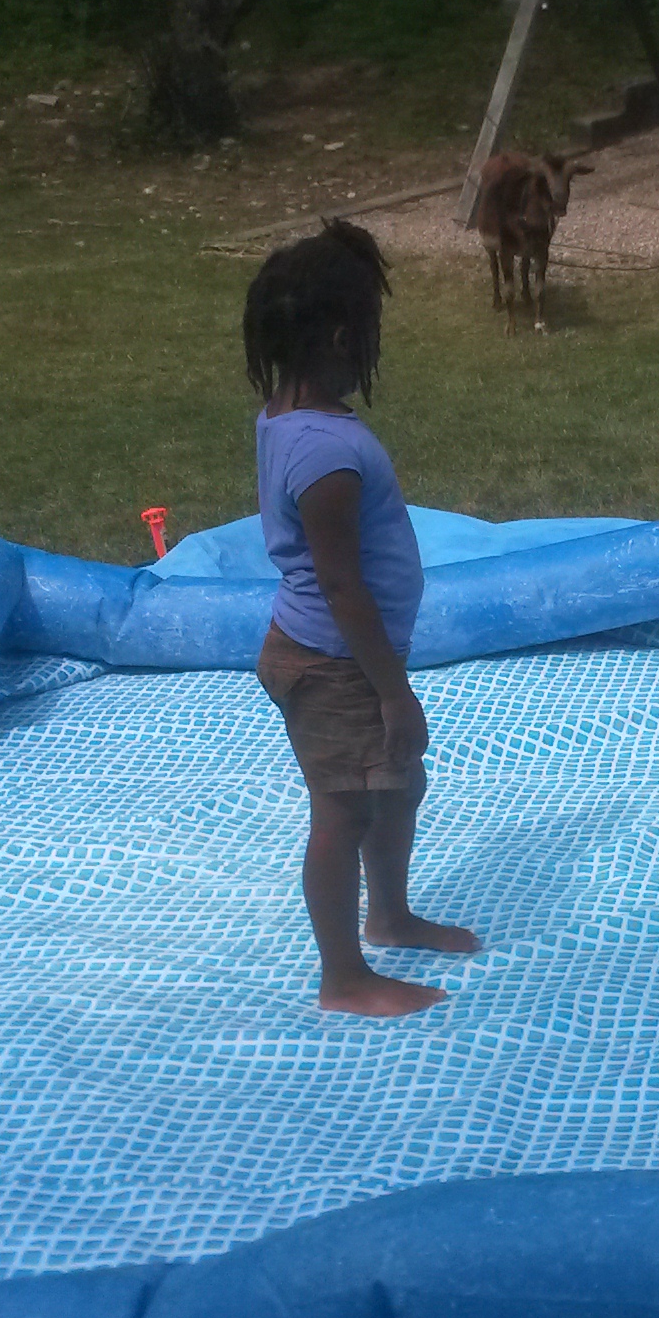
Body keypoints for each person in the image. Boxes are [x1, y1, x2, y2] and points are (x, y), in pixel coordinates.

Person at [244, 219, 479, 1017]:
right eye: (369, 334)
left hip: (342, 656)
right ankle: (343, 977)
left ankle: (391, 915)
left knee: (399, 785)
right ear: (344, 337)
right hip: (334, 664)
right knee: (343, 810)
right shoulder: (324, 456)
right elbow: (343, 587)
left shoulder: (288, 415)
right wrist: (393, 693)